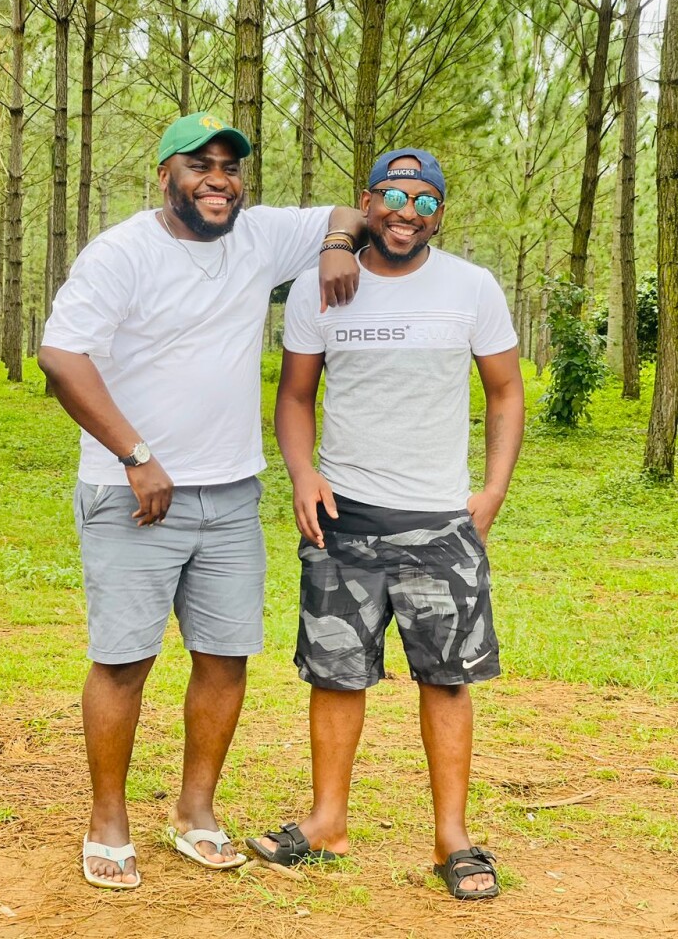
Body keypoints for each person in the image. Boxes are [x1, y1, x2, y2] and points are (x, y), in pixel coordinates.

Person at [38, 111, 365, 889]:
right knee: (124, 659)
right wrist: (137, 455)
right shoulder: (121, 253)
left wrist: (335, 244)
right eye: (200, 165)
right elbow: (61, 355)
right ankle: (107, 820)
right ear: (166, 175)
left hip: (231, 493)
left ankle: (195, 811)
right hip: (134, 494)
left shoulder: (259, 236)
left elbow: (347, 211)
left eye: (230, 166)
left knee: (224, 657)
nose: (219, 179)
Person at [247, 148, 524, 900]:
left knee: (447, 680)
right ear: (367, 202)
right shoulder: (322, 287)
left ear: (441, 213)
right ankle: (327, 822)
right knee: (336, 676)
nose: (407, 213)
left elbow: (504, 391)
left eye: (425, 201)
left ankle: (452, 839)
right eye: (394, 197)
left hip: (440, 524)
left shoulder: (471, 287)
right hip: (344, 522)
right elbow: (295, 396)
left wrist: (493, 491)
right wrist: (303, 473)